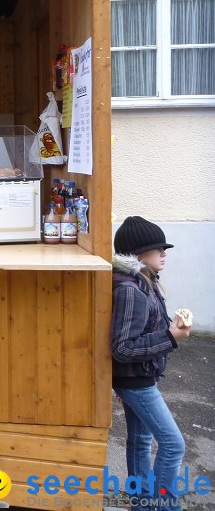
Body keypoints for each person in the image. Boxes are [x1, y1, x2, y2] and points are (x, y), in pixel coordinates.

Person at [111, 216, 190, 510]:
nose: (164, 253)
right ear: (137, 253)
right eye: (157, 247)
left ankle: (143, 504)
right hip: (136, 381)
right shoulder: (131, 289)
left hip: (139, 376)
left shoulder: (144, 281)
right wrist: (171, 336)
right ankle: (163, 507)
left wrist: (171, 328)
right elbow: (122, 348)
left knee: (141, 440)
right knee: (173, 444)